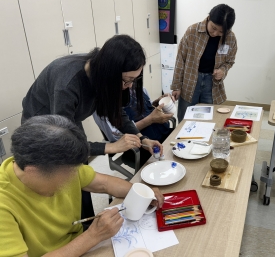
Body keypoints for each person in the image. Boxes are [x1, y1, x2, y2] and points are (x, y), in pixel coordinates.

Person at [0, 115, 164, 257]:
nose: (74, 176)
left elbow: (105, 184)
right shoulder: (4, 203)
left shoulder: (61, 164)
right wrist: (93, 236)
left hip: (81, 246)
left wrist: (142, 193)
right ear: (33, 171)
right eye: (67, 174)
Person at [21, 34, 163, 158]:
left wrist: (143, 139)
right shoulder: (67, 86)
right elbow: (63, 140)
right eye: (127, 80)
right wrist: (111, 147)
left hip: (67, 120)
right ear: (110, 73)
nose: (130, 85)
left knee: (80, 167)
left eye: (134, 80)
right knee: (64, 172)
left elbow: (115, 111)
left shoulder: (101, 69)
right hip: (41, 127)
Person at [171, 4, 237, 122]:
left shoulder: (230, 38)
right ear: (208, 18)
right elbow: (180, 59)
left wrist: (223, 70)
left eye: (221, 31)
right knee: (185, 118)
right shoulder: (192, 31)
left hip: (211, 83)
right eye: (213, 28)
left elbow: (229, 61)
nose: (215, 33)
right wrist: (176, 85)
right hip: (190, 80)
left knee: (209, 118)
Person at [93, 87, 174, 165]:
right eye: (129, 79)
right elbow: (116, 137)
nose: (131, 84)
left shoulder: (137, 87)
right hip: (139, 147)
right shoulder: (103, 103)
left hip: (160, 133)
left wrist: (157, 104)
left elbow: (145, 110)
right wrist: (150, 120)